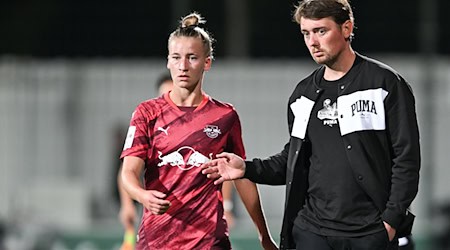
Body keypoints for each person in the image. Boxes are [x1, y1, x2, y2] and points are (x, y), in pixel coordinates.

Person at [202, 1, 421, 249]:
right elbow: (293, 161)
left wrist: (391, 221)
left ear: (347, 28)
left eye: (321, 31)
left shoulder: (384, 83)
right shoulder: (303, 94)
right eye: (306, 33)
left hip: (369, 233)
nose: (312, 42)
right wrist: (247, 168)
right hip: (311, 232)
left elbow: (407, 159)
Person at [120, 12, 278, 250]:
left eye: (192, 58)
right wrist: (142, 196)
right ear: (168, 61)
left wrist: (264, 235)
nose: (183, 66)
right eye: (176, 57)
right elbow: (128, 172)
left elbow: (241, 176)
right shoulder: (147, 113)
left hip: (208, 241)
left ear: (207, 62)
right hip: (157, 241)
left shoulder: (225, 116)